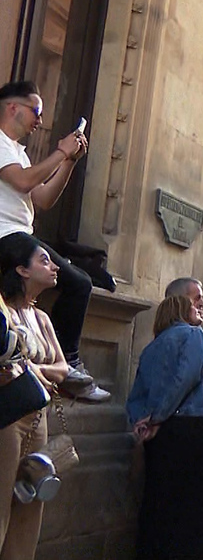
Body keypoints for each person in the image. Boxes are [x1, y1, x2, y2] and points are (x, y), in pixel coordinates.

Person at [0, 81, 106, 403]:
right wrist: (60, 151)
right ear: (12, 107)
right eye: (37, 111)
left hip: (23, 236)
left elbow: (43, 197)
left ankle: (58, 362)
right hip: (6, 236)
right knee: (77, 283)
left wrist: (70, 161)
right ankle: (68, 362)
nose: (39, 121)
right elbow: (22, 180)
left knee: (79, 282)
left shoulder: (17, 151)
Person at [126, 287, 203, 560]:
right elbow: (187, 377)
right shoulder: (194, 335)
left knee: (161, 507)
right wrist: (159, 415)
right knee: (199, 511)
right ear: (181, 309)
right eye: (194, 304)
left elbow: (135, 397)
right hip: (194, 431)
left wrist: (143, 424)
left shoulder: (150, 349)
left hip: (159, 437)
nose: (200, 307)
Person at [0, 238, 70, 559]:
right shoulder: (4, 311)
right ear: (21, 269)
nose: (54, 266)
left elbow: (63, 368)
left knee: (32, 501)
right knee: (1, 502)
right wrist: (38, 371)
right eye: (44, 261)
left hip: (38, 417)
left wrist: (32, 369)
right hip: (8, 415)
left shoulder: (42, 318)